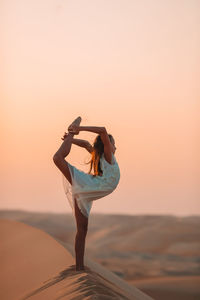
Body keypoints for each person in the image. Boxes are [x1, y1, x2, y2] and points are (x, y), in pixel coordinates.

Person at [53, 117, 120, 271]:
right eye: (113, 144)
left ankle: (79, 267)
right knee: (57, 158)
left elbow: (85, 145)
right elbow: (103, 129)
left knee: (82, 230)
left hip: (87, 192)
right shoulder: (108, 156)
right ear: (107, 145)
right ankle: (72, 130)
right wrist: (78, 130)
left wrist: (71, 139)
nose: (115, 147)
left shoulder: (100, 157)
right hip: (88, 186)